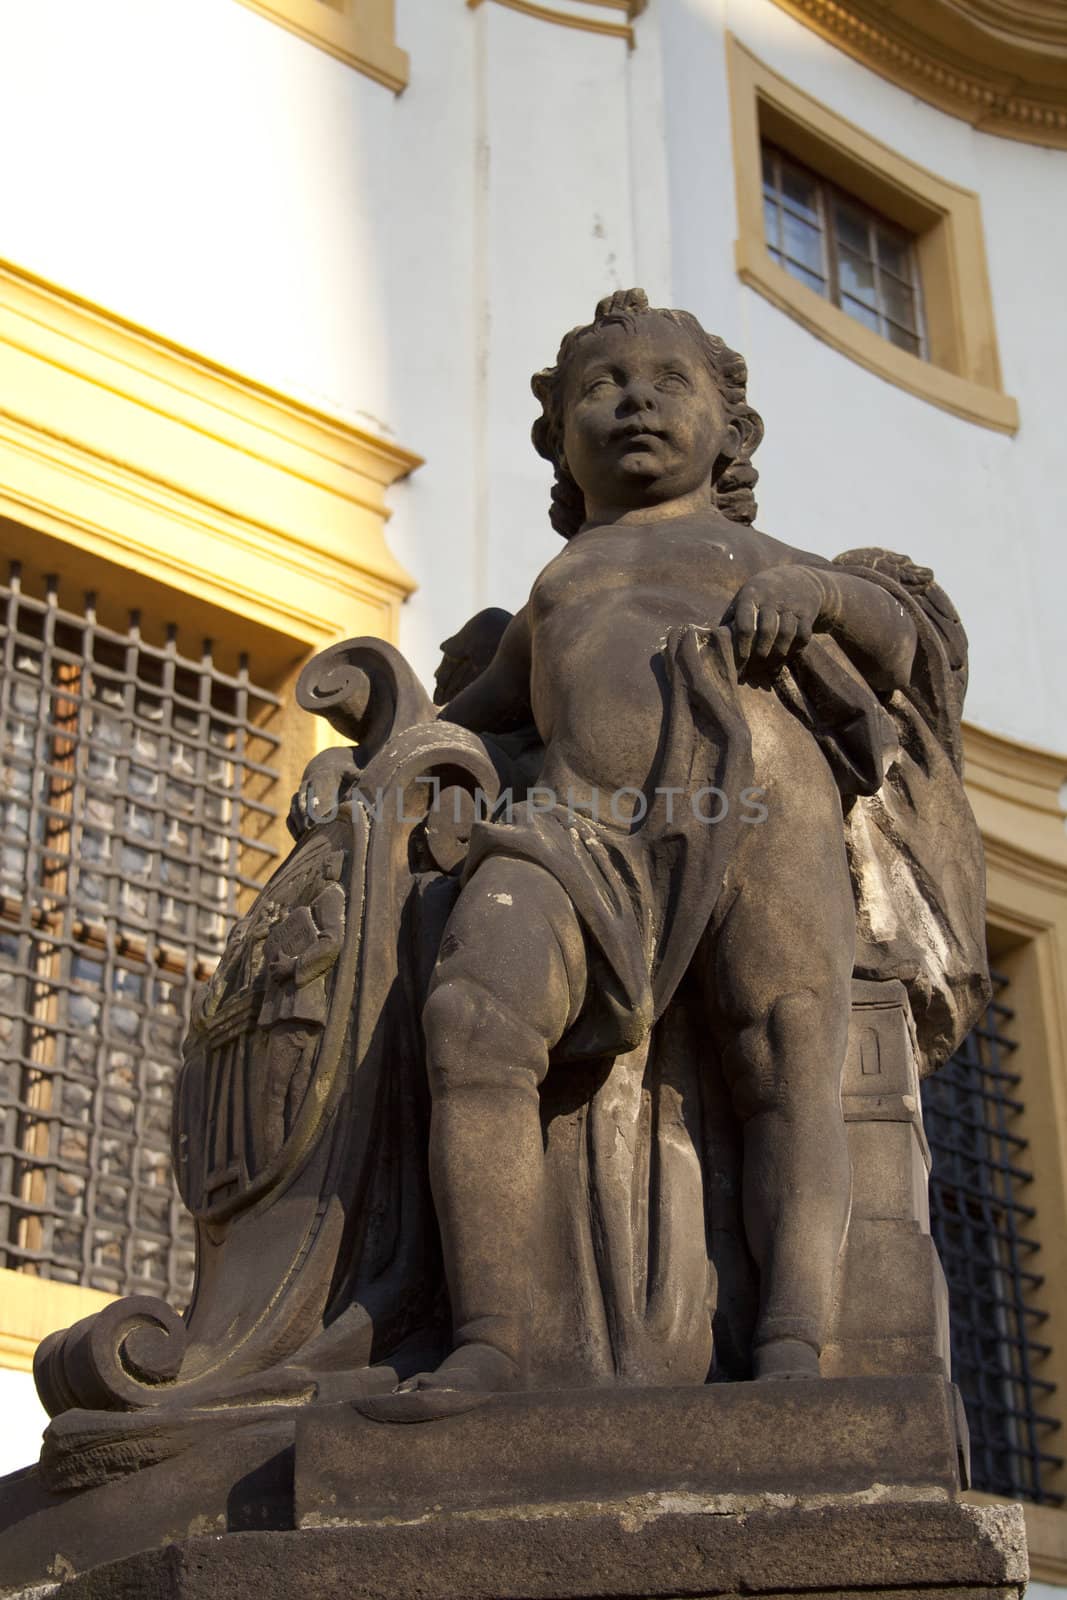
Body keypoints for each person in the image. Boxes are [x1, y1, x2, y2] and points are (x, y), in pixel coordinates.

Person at [408, 288, 941, 1395]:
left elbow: (897, 640)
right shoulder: (556, 585)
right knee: (471, 1014)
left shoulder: (755, 551)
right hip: (577, 821)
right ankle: (489, 1340)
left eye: (667, 382)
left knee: (784, 1063)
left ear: (730, 433)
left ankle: (793, 1341)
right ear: (557, 440)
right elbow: (479, 718)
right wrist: (377, 764)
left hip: (759, 804)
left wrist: (819, 595)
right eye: (600, 388)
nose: (635, 400)